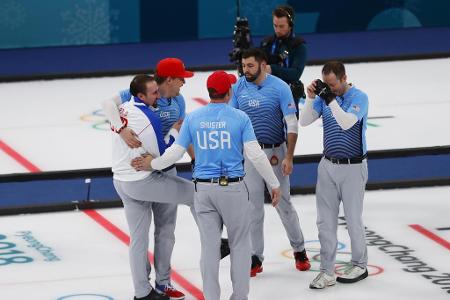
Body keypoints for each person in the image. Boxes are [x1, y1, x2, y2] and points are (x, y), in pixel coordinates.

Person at [132, 70, 282, 300]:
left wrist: (152, 164)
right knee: (241, 244)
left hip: (203, 190)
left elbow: (174, 153)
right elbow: (256, 154)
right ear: (229, 91)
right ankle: (239, 296)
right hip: (233, 188)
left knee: (210, 248)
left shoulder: (194, 118)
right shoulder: (240, 118)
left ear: (209, 92)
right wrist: (274, 183)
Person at [103, 58, 195, 300]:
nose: (184, 83)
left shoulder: (178, 100)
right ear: (168, 80)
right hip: (147, 172)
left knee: (165, 231)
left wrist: (194, 161)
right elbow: (108, 105)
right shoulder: (140, 95)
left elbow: (183, 133)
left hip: (156, 170)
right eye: (181, 78)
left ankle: (157, 286)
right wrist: (121, 129)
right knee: (196, 196)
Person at [230, 48, 310, 277]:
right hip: (249, 155)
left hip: (275, 152)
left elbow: (292, 124)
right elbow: (233, 121)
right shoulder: (238, 88)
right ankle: (255, 256)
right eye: (244, 66)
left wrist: (289, 156)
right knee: (253, 208)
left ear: (263, 65)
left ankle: (299, 250)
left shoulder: (280, 87)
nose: (246, 70)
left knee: (284, 204)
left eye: (250, 66)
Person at [300, 61, 369, 289]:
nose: (331, 89)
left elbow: (347, 123)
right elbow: (304, 121)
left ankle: (360, 263)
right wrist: (311, 97)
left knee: (352, 220)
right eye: (327, 85)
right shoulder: (324, 97)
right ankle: (326, 271)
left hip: (353, 166)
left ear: (344, 77)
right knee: (324, 222)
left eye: (333, 85)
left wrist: (329, 99)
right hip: (327, 165)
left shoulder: (359, 97)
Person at [260, 4, 307, 119]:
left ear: (290, 25)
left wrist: (272, 69)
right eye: (275, 26)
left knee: (288, 135)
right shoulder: (266, 43)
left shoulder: (299, 46)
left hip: (288, 97)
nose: (277, 30)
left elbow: (296, 73)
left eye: (282, 26)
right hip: (266, 97)